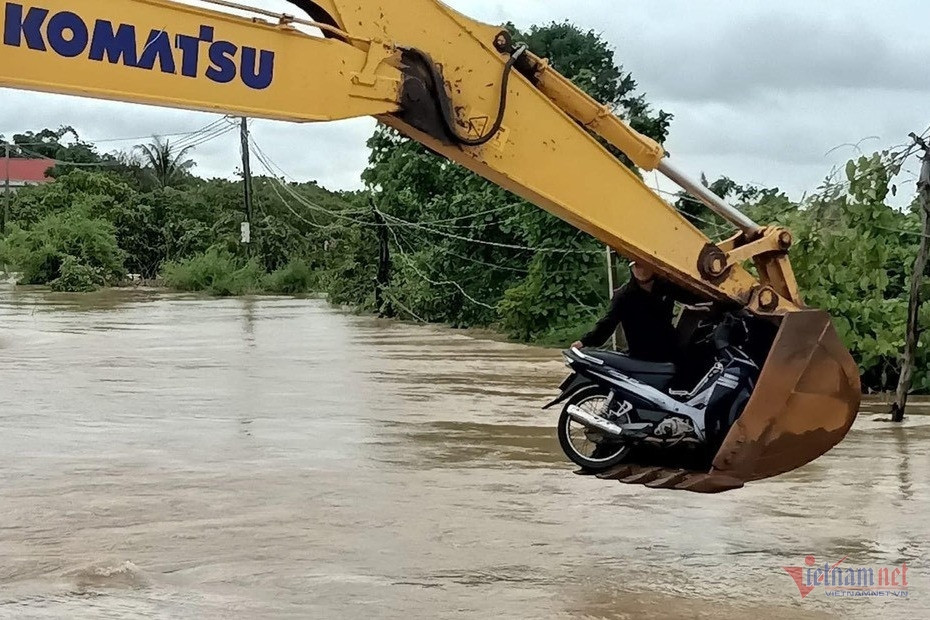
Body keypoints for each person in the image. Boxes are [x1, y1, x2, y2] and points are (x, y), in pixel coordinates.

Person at [572, 262, 695, 363]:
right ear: (631, 268)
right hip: (640, 353)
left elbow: (689, 296)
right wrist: (584, 342)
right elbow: (608, 323)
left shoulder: (666, 286)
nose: (640, 270)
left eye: (643, 265)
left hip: (669, 348)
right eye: (635, 266)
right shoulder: (624, 296)